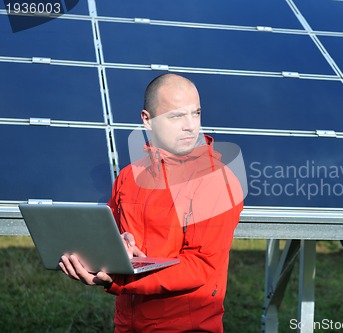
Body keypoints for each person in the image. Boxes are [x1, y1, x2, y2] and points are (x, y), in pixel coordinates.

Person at [59, 73, 244, 332]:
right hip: (126, 325)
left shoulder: (215, 181)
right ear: (147, 120)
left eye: (196, 113)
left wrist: (119, 278)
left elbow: (200, 265)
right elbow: (108, 236)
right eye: (177, 116)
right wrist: (108, 251)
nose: (191, 125)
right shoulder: (129, 177)